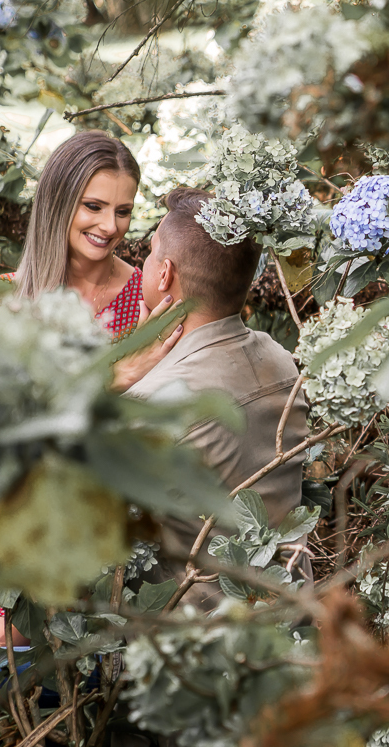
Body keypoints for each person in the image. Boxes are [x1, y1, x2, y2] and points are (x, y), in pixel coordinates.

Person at [123, 187, 311, 608]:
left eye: (150, 254)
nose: (143, 264)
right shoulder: (282, 361)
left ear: (164, 275)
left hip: (195, 635)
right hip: (291, 613)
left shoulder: (154, 403)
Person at [0, 130, 180, 350]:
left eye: (123, 211)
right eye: (93, 207)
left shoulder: (146, 301)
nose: (111, 226)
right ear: (56, 204)